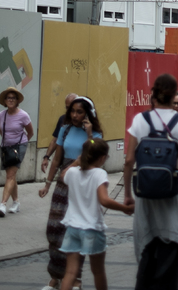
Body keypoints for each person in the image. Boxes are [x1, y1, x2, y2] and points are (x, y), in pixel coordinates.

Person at [124, 73, 178, 290]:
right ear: (174, 94)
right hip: (174, 192)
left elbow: (129, 159)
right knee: (172, 249)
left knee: (148, 248)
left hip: (146, 192)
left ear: (154, 94)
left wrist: (128, 194)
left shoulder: (141, 120)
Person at [39, 96, 103, 290]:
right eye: (73, 111)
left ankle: (75, 278)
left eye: (79, 112)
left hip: (83, 185)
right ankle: (55, 277)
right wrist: (47, 184)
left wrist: (90, 133)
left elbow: (93, 155)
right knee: (54, 230)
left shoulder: (95, 134)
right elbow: (58, 159)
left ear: (88, 115)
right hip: (63, 184)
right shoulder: (65, 130)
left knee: (74, 232)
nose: (75, 115)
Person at [59, 138, 134, 290]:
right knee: (98, 272)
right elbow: (104, 200)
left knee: (70, 272)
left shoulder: (72, 172)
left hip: (72, 227)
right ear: (102, 158)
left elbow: (62, 175)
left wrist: (77, 161)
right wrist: (123, 208)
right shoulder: (99, 173)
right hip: (92, 229)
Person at [0, 86, 34, 215]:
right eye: (8, 98)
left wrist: (21, 144)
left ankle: (2, 204)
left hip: (19, 146)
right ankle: (16, 202)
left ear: (17, 100)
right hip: (6, 147)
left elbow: (30, 132)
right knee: (11, 176)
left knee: (10, 175)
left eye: (13, 98)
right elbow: (1, 132)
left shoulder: (23, 115)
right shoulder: (1, 115)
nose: (11, 100)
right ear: (5, 100)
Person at [42, 93, 78, 174]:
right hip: (65, 164)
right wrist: (46, 157)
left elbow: (93, 142)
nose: (69, 111)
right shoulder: (63, 121)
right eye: (67, 108)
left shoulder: (88, 123)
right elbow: (55, 140)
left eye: (71, 108)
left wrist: (90, 135)